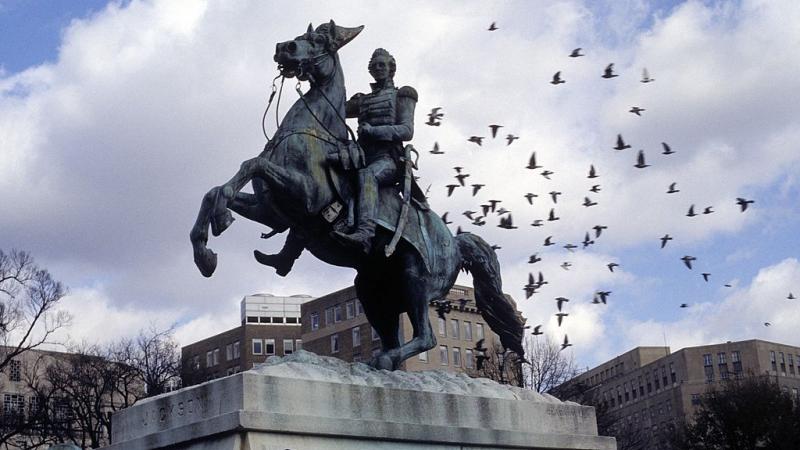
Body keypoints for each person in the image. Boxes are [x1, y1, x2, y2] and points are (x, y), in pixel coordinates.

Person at [332, 48, 427, 254]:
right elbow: (334, 107)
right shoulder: (363, 100)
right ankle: (289, 253)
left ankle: (365, 232)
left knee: (367, 176)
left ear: (392, 68)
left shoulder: (403, 94)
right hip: (362, 156)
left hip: (388, 159)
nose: (378, 68)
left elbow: (407, 130)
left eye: (383, 65)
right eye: (375, 66)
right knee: (324, 168)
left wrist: (373, 131)